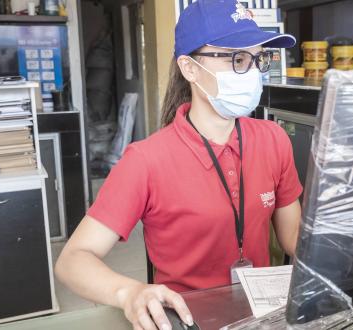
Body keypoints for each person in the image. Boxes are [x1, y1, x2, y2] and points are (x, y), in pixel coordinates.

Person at [55, 1, 302, 329]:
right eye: (238, 59)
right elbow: (73, 261)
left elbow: (293, 237)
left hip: (259, 316)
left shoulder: (274, 140)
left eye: (260, 59)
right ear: (189, 68)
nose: (254, 72)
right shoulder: (146, 161)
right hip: (185, 320)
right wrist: (129, 293)